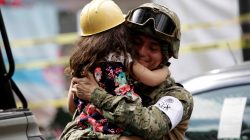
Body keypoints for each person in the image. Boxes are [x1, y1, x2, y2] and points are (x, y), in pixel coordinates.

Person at [60, 2, 193, 140]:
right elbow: (75, 116)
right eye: (137, 42)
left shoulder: (177, 97)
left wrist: (96, 95)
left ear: (165, 56)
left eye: (153, 48)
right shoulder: (109, 78)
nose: (142, 52)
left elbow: (151, 126)